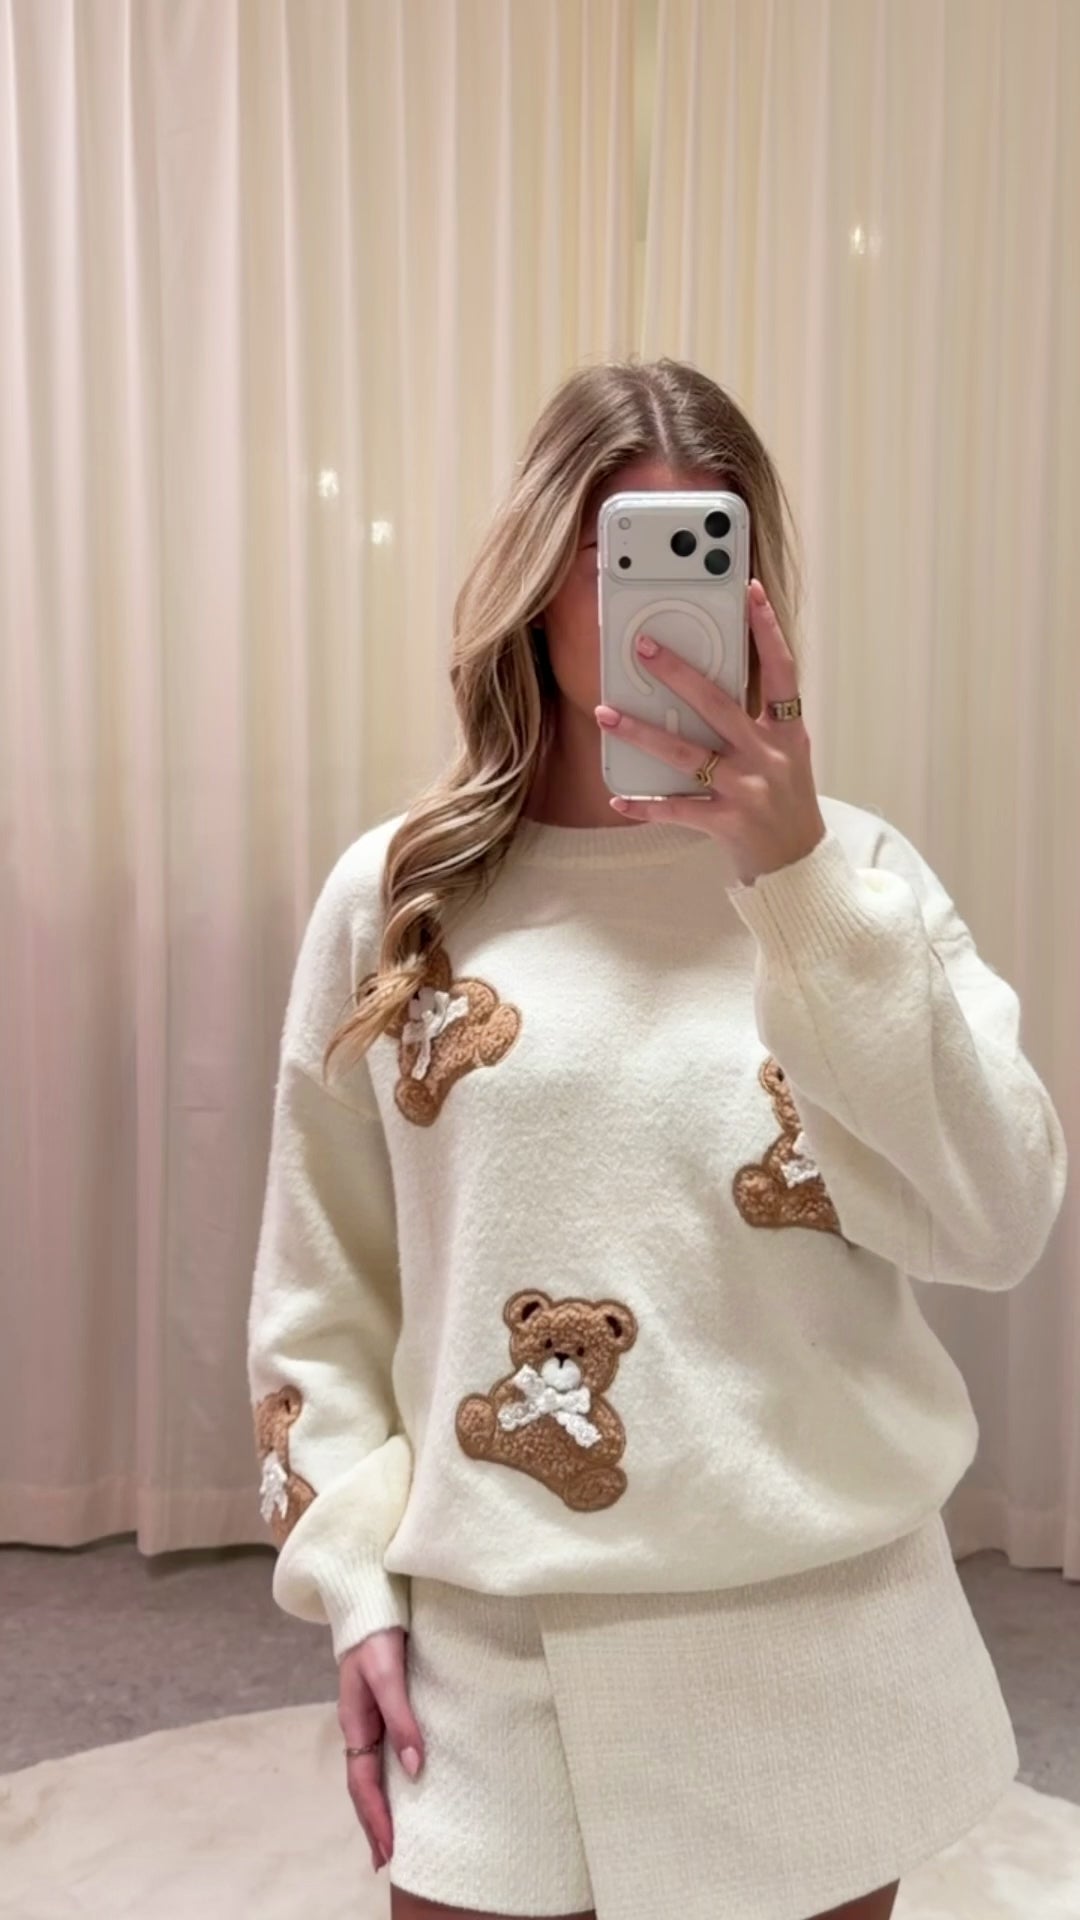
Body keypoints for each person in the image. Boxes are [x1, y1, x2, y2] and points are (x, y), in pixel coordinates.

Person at [246, 357, 1067, 1920]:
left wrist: (801, 886)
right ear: (535, 574)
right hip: (497, 1636)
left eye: (706, 549)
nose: (648, 600)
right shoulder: (402, 898)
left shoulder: (856, 879)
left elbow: (1000, 1216)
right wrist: (352, 1583)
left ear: (758, 593)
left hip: (817, 1631)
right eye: (610, 551)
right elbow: (322, 1285)